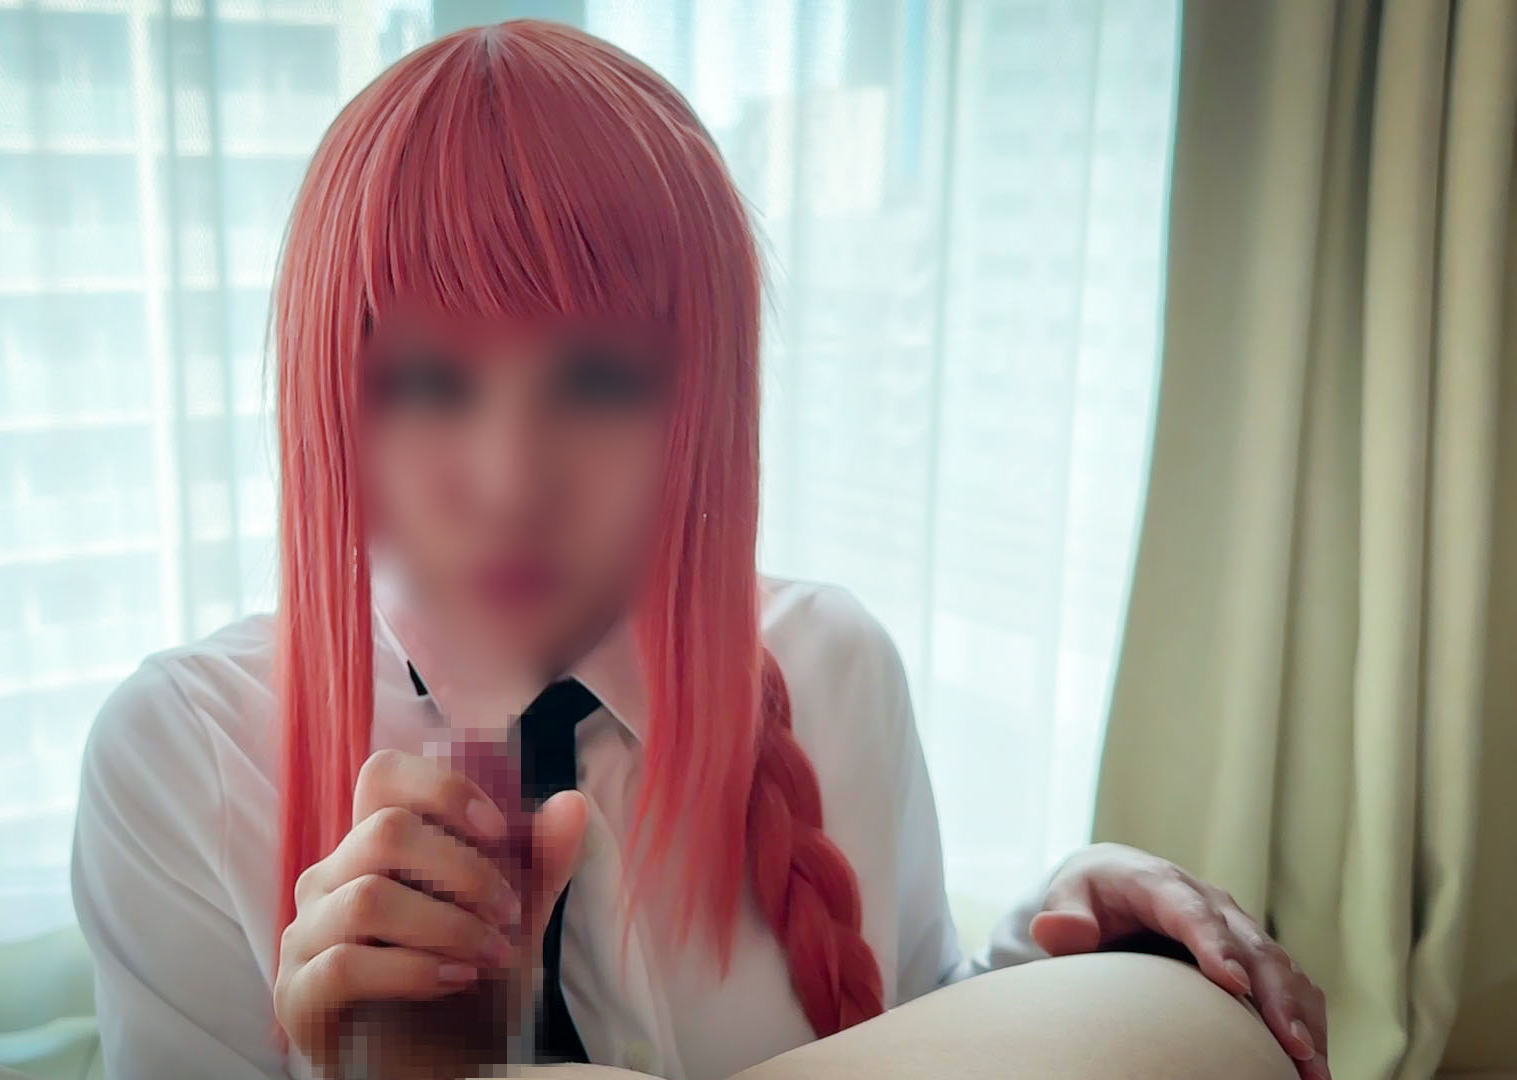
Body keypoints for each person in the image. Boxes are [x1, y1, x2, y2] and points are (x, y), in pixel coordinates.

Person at [70, 20, 1328, 1080]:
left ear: (701, 402)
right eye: (431, 381)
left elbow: (897, 1015)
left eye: (599, 380)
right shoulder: (184, 754)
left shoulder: (831, 664)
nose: (512, 480)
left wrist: (1071, 959)